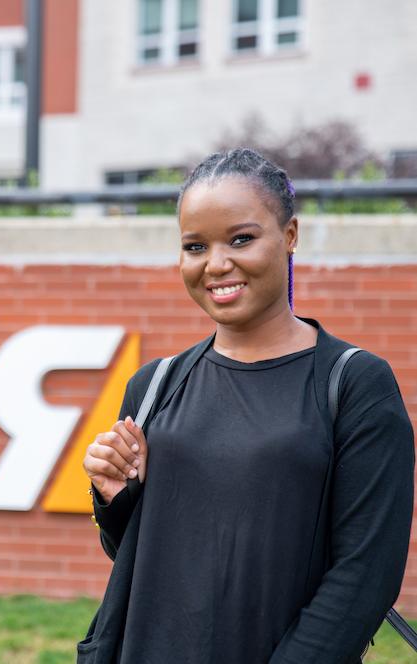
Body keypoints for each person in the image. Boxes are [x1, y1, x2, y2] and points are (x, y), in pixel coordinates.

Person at [80, 148, 415, 663]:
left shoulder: (352, 384)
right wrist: (115, 500)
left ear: (290, 235)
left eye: (241, 238)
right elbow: (137, 557)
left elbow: (365, 576)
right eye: (195, 246)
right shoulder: (154, 385)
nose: (216, 264)